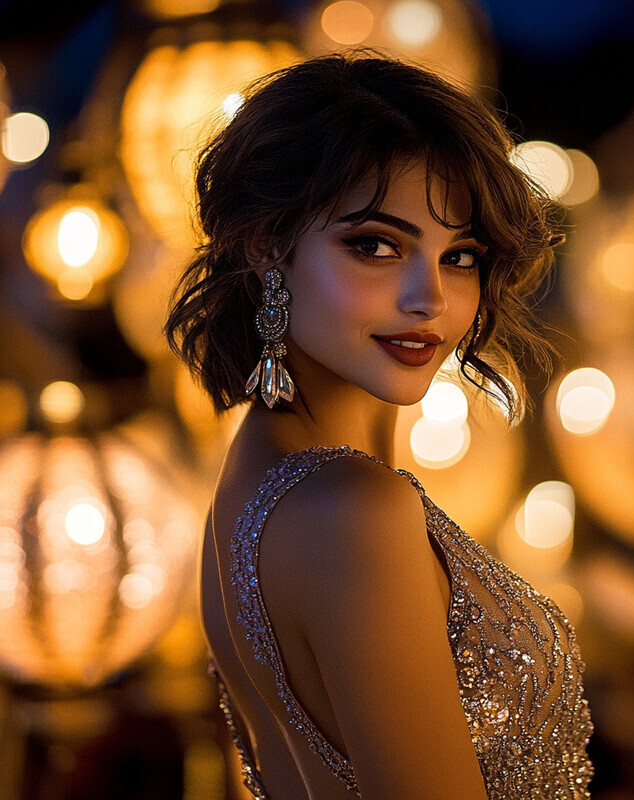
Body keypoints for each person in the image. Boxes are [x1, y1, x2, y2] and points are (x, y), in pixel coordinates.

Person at [165, 50, 593, 800]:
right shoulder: (352, 509)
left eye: (460, 255)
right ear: (269, 243)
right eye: (375, 245)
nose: (429, 296)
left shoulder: (253, 483)